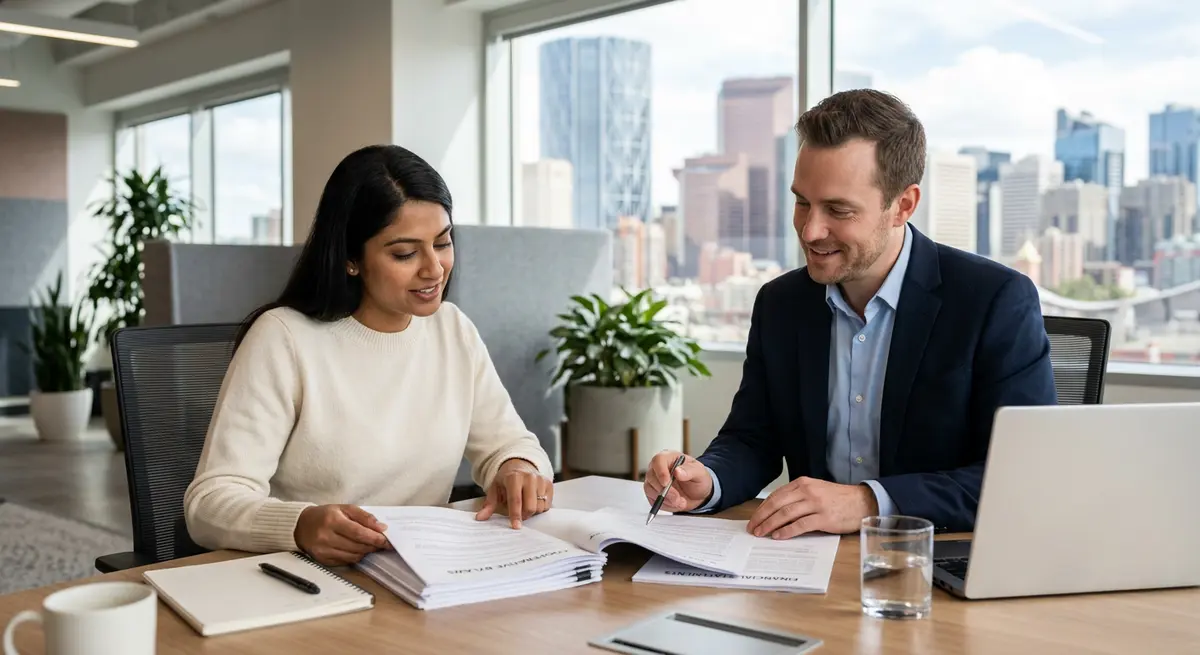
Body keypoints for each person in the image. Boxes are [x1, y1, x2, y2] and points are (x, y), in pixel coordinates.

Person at [644, 89, 1056, 537]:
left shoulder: (994, 301)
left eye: (838, 210)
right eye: (802, 202)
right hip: (810, 560)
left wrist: (868, 502)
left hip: (935, 560)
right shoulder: (780, 304)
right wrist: (709, 480)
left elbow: (1022, 476)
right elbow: (753, 438)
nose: (810, 230)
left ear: (903, 205)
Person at [184, 145, 555, 566]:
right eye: (405, 253)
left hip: (421, 571)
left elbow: (508, 443)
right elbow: (209, 504)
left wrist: (517, 468)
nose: (434, 268)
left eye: (442, 242)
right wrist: (300, 525)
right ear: (351, 259)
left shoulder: (452, 330)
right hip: (311, 576)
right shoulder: (284, 338)